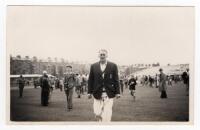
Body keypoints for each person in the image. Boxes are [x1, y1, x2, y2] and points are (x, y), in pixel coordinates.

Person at [88, 49, 120, 122]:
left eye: (104, 54)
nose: (102, 56)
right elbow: (91, 80)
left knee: (107, 113)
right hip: (97, 92)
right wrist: (89, 92)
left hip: (109, 93)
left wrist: (118, 92)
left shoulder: (113, 65)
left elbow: (116, 80)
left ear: (107, 55)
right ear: (98, 55)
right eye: (101, 54)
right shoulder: (93, 66)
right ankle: (101, 121)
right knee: (97, 112)